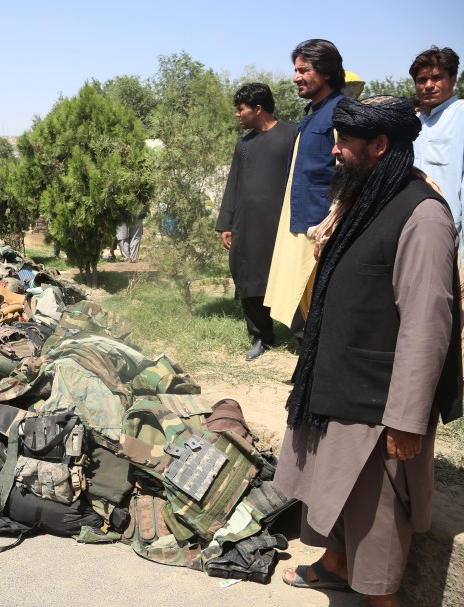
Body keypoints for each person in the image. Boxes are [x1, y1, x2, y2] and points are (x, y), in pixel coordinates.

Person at [275, 96, 462, 606]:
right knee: (331, 490)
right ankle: (336, 564)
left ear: (379, 145)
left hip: (379, 399)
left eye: (344, 142)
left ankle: (382, 597)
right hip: (338, 376)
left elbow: (428, 325)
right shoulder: (365, 194)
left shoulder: (423, 217)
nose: (333, 151)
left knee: (375, 510)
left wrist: (405, 417)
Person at [264, 39, 346, 333]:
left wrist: (332, 224)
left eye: (303, 70)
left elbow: (346, 174)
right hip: (299, 221)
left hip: (319, 225)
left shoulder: (341, 112)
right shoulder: (312, 114)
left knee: (322, 305)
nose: (295, 77)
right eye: (295, 70)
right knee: (303, 304)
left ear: (325, 72)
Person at [216, 83, 297, 361]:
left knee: (290, 276)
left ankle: (303, 335)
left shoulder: (292, 136)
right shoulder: (244, 144)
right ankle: (262, 335)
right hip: (247, 224)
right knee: (247, 274)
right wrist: (226, 223)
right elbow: (233, 185)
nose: (237, 115)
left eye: (241, 109)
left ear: (258, 109)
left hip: (283, 224)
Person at [410, 46, 464, 259]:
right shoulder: (416, 123)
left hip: (451, 230)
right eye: (422, 80)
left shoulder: (460, 116)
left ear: (453, 79)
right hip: (414, 224)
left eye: (437, 78)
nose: (429, 85)